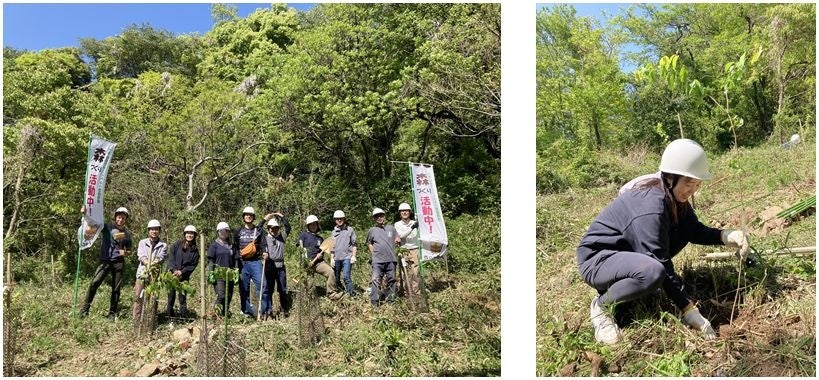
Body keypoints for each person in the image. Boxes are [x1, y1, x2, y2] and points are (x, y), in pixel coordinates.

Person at [577, 139, 751, 345]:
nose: (692, 190)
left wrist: (726, 236)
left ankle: (635, 284)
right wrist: (688, 309)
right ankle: (602, 306)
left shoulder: (673, 197)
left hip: (624, 255)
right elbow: (659, 260)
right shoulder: (651, 203)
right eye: (688, 182)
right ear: (670, 177)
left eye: (697, 184)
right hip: (598, 260)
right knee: (654, 272)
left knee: (676, 238)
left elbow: (693, 230)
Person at [79, 206, 133, 320]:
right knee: (94, 283)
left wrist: (126, 253)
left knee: (116, 289)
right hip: (105, 261)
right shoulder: (107, 227)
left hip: (119, 262)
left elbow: (129, 251)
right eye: (119, 217)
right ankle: (85, 309)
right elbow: (93, 224)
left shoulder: (127, 234)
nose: (121, 219)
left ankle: (112, 313)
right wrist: (85, 214)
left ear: (125, 219)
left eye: (123, 218)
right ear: (115, 217)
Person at [234, 206, 277, 318]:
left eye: (250, 215)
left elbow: (263, 244)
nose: (248, 216)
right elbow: (234, 246)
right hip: (242, 263)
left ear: (253, 217)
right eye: (246, 215)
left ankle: (264, 311)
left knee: (263, 286)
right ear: (243, 217)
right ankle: (246, 311)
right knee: (244, 288)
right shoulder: (238, 231)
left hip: (255, 262)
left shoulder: (258, 231)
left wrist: (265, 252)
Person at [298, 215, 343, 300]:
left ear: (317, 225)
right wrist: (306, 260)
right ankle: (308, 299)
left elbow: (323, 251)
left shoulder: (320, 239)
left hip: (318, 263)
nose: (313, 226)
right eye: (311, 224)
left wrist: (320, 255)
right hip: (307, 263)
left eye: (314, 224)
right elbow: (301, 248)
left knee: (330, 272)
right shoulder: (303, 235)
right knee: (309, 283)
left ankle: (332, 294)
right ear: (308, 225)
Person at [132, 219, 168, 321]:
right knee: (139, 297)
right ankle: (136, 320)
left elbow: (161, 257)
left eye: (156, 229)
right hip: (142, 274)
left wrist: (153, 264)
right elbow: (141, 256)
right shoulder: (142, 242)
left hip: (155, 276)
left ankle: (151, 319)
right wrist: (148, 263)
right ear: (148, 231)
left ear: (159, 231)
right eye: (152, 229)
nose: (154, 231)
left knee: (153, 298)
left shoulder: (163, 245)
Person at [366, 208, 401, 306]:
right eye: (377, 216)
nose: (379, 218)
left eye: (381, 215)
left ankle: (391, 301)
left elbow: (397, 238)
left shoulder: (391, 228)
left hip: (391, 259)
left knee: (392, 280)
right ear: (374, 218)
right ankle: (375, 302)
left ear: (384, 216)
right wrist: (373, 253)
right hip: (377, 260)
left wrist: (398, 240)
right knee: (376, 280)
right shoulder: (372, 230)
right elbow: (369, 243)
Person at [166, 225, 200, 319]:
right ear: (185, 234)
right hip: (172, 274)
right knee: (171, 297)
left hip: (183, 277)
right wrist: (174, 270)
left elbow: (192, 265)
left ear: (194, 235)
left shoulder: (195, 251)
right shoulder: (177, 244)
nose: (189, 235)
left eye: (192, 233)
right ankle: (170, 318)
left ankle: (182, 318)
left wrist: (182, 272)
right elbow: (171, 257)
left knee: (182, 298)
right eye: (188, 233)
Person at [262, 214, 292, 318]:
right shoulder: (265, 238)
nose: (274, 230)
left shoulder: (281, 237)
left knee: (282, 289)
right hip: (269, 266)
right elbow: (257, 229)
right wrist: (266, 218)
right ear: (268, 228)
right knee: (269, 289)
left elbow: (288, 227)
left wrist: (281, 217)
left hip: (280, 266)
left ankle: (284, 309)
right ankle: (269, 310)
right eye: (272, 228)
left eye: (276, 228)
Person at [207, 222, 239, 317]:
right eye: (221, 231)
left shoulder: (232, 245)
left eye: (225, 231)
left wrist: (236, 270)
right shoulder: (214, 245)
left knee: (228, 296)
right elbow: (211, 261)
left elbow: (236, 259)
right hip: (218, 274)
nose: (223, 233)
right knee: (221, 295)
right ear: (218, 232)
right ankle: (216, 314)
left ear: (228, 232)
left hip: (230, 274)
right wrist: (211, 273)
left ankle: (225, 315)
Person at [394, 203, 421, 298]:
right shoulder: (397, 224)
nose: (405, 212)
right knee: (405, 273)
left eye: (406, 211)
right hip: (403, 250)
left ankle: (416, 292)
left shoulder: (415, 222)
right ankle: (407, 293)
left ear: (410, 212)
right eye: (402, 211)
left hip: (415, 249)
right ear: (400, 213)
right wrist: (412, 228)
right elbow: (401, 236)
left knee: (415, 272)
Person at [330, 210, 357, 297]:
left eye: (341, 218)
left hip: (347, 257)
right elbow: (332, 247)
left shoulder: (350, 230)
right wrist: (331, 258)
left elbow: (354, 244)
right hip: (337, 258)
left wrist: (353, 256)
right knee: (336, 278)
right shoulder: (333, 232)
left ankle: (351, 295)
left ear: (344, 219)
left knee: (346, 276)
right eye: (337, 219)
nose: (339, 220)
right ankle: (341, 292)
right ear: (335, 220)